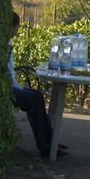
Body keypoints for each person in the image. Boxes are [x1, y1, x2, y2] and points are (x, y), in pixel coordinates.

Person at [9, 12, 67, 157]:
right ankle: (44, 146)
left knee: (37, 95)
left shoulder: (7, 43)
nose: (17, 32)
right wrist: (17, 88)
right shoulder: (2, 45)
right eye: (17, 27)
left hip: (12, 86)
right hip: (8, 88)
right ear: (10, 27)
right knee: (33, 99)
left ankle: (50, 141)